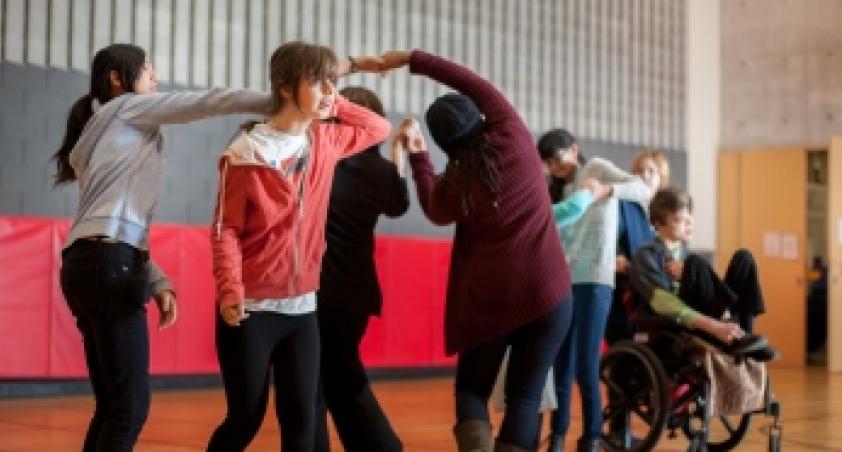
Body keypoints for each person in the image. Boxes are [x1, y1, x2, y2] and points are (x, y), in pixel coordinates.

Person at [54, 43, 273, 451]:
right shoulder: (127, 108)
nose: (155, 78)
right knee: (130, 408)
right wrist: (278, 100)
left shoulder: (92, 132)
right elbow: (209, 101)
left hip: (83, 265)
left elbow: (112, 220)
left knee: (111, 406)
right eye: (148, 70)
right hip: (109, 262)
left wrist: (154, 277)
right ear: (118, 79)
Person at [380, 49, 573, 452]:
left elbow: (432, 208)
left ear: (444, 144)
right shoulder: (514, 136)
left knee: (471, 391)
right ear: (479, 117)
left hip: (492, 305)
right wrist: (408, 59)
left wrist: (417, 153)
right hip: (548, 294)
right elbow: (470, 81)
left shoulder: (456, 185)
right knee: (525, 396)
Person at [207, 42, 391, 452]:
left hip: (303, 310)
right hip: (251, 311)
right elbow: (226, 229)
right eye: (317, 82)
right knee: (245, 419)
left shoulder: (325, 141)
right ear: (287, 89)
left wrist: (333, 94)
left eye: (332, 83)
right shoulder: (244, 153)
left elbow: (378, 128)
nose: (328, 90)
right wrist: (230, 289)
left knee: (303, 424)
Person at [537, 129, 652, 452]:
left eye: (558, 160)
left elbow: (642, 190)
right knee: (561, 365)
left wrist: (605, 190)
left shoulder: (596, 168)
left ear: (574, 149)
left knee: (587, 363)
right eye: (549, 165)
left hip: (596, 279)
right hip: (564, 281)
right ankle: (557, 437)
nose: (555, 169)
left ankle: (590, 437)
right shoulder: (558, 189)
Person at [314, 86, 409, 452]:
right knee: (339, 380)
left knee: (322, 383)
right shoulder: (381, 171)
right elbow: (399, 205)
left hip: (318, 288)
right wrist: (397, 155)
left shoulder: (325, 159)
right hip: (356, 293)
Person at [630, 187, 778, 361]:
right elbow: (663, 302)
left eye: (689, 219)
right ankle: (731, 328)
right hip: (681, 319)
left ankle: (745, 336)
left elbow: (708, 289)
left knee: (744, 258)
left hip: (709, 310)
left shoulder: (684, 253)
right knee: (695, 263)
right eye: (680, 220)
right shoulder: (645, 255)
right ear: (658, 223)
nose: (688, 225)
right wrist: (713, 326)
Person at [606, 149, 671, 345]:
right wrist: (617, 257)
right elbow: (612, 240)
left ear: (662, 179)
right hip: (628, 291)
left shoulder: (667, 214)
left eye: (651, 171)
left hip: (658, 288)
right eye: (639, 171)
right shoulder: (623, 206)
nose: (644, 176)